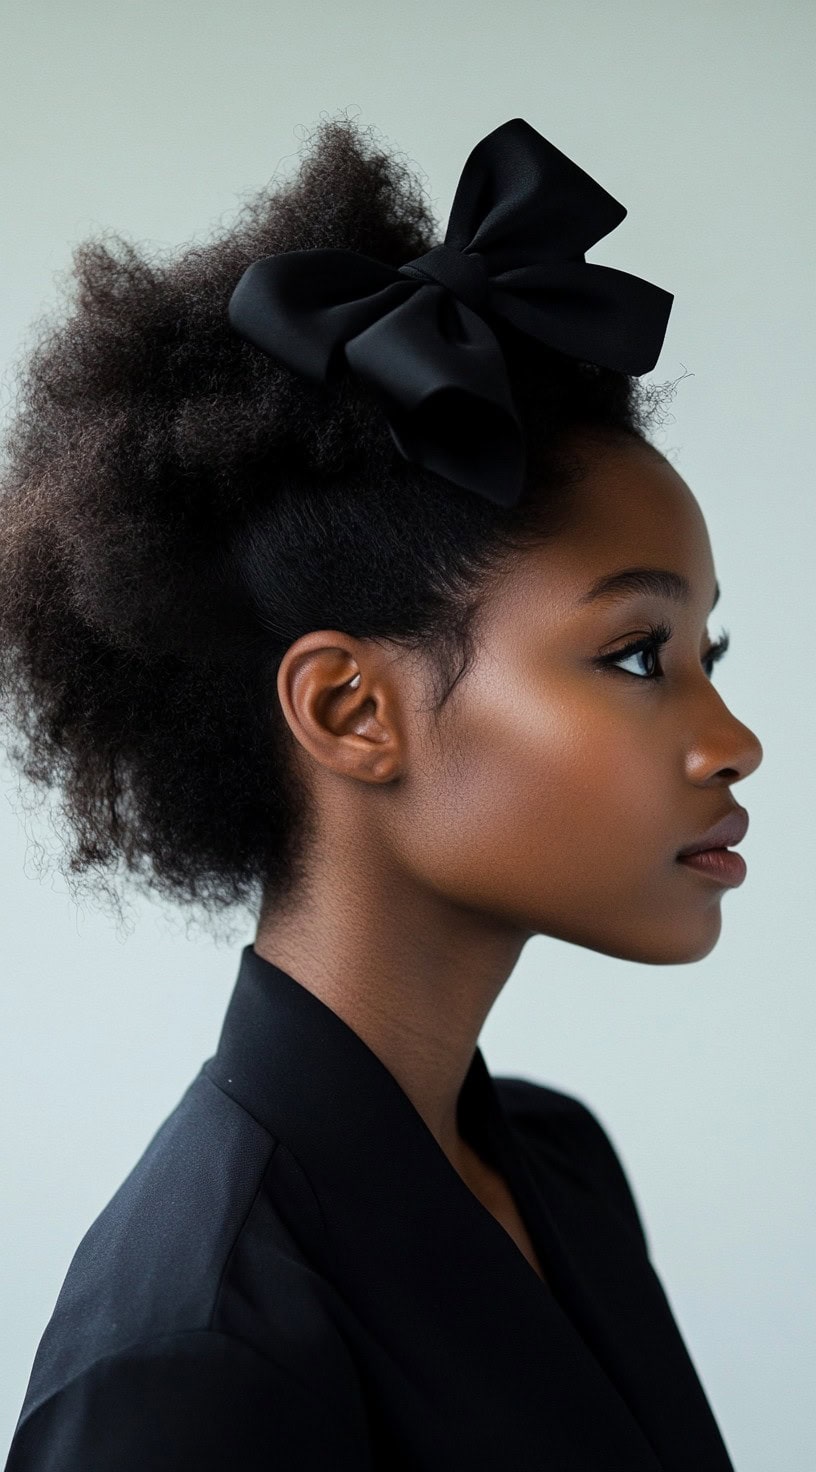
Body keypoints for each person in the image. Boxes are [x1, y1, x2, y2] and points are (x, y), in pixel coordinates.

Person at [1, 113, 762, 1470]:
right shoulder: (189, 1364)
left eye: (714, 653)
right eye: (642, 653)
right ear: (353, 712)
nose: (736, 740)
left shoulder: (558, 1167)